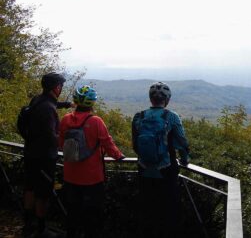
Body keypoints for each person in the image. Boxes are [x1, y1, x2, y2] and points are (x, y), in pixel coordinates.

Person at [59, 85, 125, 238]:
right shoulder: (96, 121)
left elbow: (60, 143)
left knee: (72, 213)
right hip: (92, 178)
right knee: (92, 216)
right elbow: (107, 143)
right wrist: (118, 156)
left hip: (70, 175)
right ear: (92, 103)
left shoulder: (66, 119)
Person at [132, 81, 189, 238]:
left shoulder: (138, 117)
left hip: (144, 169)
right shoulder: (171, 117)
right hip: (166, 170)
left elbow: (135, 145)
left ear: (151, 98)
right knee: (167, 209)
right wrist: (185, 159)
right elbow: (182, 143)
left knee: (147, 208)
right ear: (167, 99)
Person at [23, 72, 72, 237]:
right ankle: (41, 229)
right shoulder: (48, 109)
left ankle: (28, 225)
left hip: (30, 153)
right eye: (60, 86)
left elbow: (51, 104)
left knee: (29, 188)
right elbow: (52, 137)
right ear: (56, 87)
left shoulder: (38, 100)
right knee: (42, 193)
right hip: (43, 157)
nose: (61, 88)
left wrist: (66, 104)